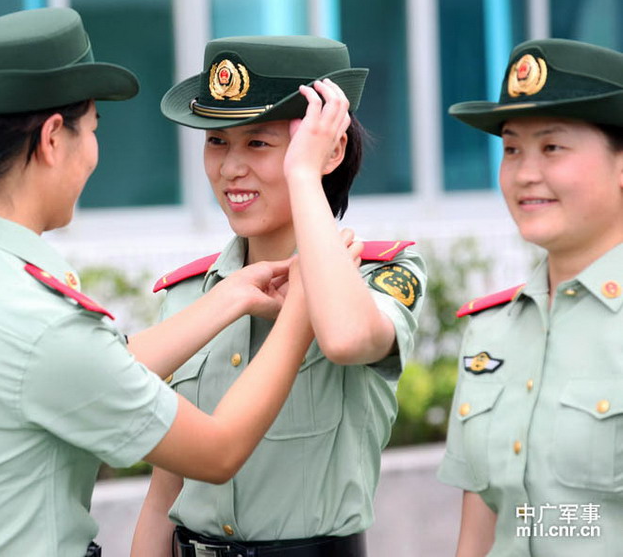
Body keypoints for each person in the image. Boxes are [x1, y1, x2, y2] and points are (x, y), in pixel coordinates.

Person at [0, 8, 320, 557]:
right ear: (52, 139)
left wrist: (229, 296)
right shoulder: (44, 327)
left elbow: (88, 373)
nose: (94, 153)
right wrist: (301, 310)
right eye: (92, 130)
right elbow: (218, 451)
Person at [131, 35, 427, 557]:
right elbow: (164, 493)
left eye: (258, 143)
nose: (229, 168)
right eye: (217, 142)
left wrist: (303, 173)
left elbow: (345, 338)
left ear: (328, 150)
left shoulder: (381, 274)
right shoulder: (186, 296)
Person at [437, 38, 623, 556]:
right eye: (512, 149)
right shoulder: (489, 331)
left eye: (552, 147)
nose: (524, 174)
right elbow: (483, 528)